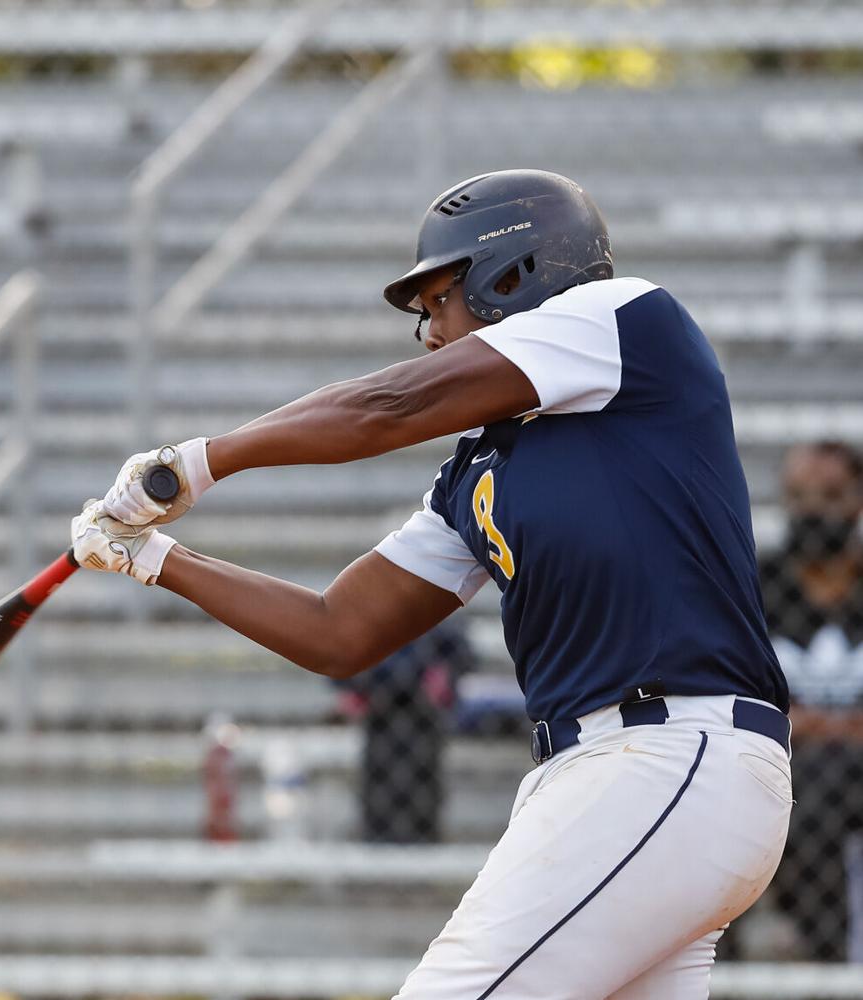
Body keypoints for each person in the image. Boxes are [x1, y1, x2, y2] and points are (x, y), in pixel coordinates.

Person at [70, 169, 793, 998]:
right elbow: (339, 630)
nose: (428, 333)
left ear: (511, 275)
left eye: (438, 300)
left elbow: (385, 406)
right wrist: (154, 558)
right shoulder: (479, 469)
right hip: (626, 778)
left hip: (664, 760)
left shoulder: (622, 318)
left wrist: (199, 462)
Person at [760, 440, 863, 960]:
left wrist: (810, 722)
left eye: (830, 496)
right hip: (782, 765)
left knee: (828, 774)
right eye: (799, 497)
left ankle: (825, 954)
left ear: (858, 501)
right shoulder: (758, 585)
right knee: (814, 783)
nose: (813, 511)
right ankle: (825, 954)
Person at [335, 626, 472, 843]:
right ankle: (379, 841)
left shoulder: (438, 621)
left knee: (422, 789)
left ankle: (422, 840)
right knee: (380, 788)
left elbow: (460, 651)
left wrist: (444, 674)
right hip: (378, 710)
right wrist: (352, 684)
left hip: (423, 714)